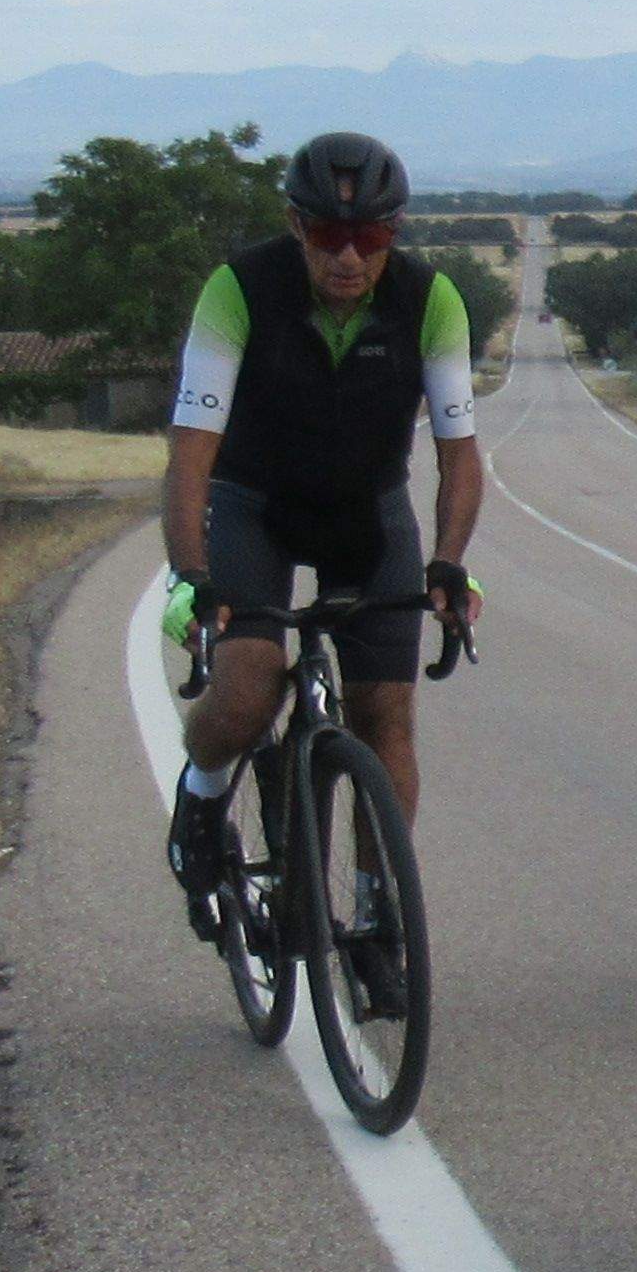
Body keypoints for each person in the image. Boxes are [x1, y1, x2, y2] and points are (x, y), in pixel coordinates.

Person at [160, 132, 482, 920]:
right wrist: (193, 576)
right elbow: (190, 457)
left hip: (365, 512)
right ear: (295, 227)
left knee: (385, 718)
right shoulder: (240, 290)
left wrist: (447, 562)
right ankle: (202, 799)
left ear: (393, 235)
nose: (349, 257)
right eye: (328, 236)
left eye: (370, 238)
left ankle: (378, 914)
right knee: (244, 692)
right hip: (252, 503)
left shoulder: (428, 300)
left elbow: (461, 456)